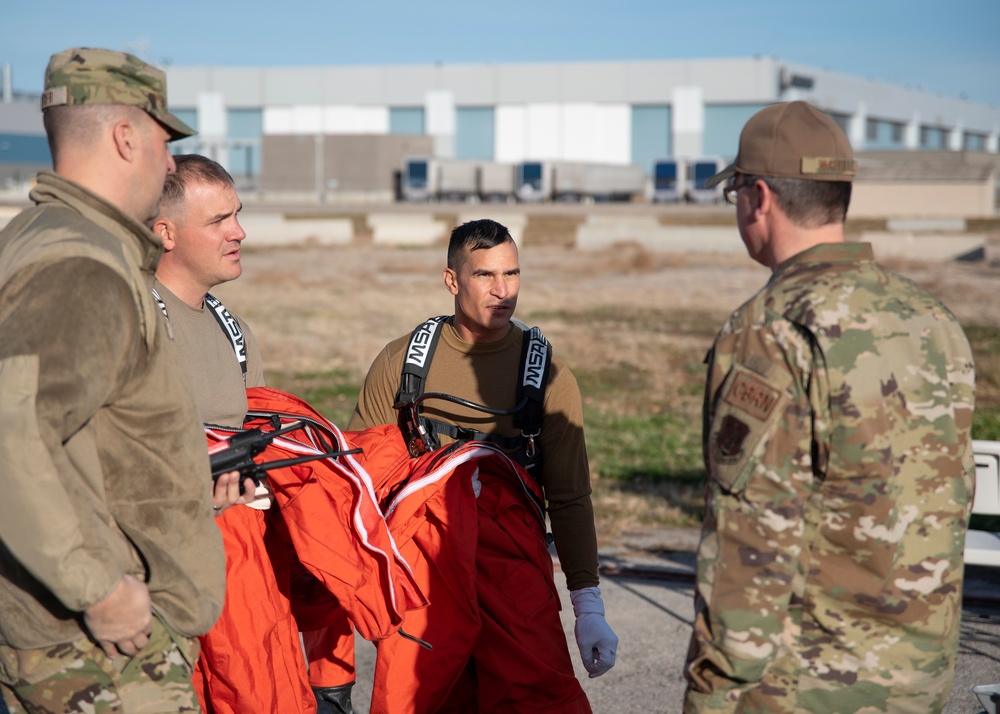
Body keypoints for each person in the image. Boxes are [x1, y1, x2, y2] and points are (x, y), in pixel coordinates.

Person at [683, 101, 977, 713]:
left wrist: (711, 698)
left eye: (736, 190)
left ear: (758, 197)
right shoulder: (931, 320)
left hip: (806, 689)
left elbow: (748, 547)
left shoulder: (771, 331)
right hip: (919, 682)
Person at [0, 48, 227, 712]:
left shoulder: (41, 238)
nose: (170, 164)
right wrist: (97, 588)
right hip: (97, 647)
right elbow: (12, 431)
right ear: (126, 137)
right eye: (164, 143)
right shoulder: (84, 264)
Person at [349, 218, 618, 711]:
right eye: (485, 276)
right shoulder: (401, 363)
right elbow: (360, 479)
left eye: (512, 275)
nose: (503, 290)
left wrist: (587, 603)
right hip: (425, 577)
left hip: (517, 578)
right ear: (452, 280)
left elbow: (571, 495)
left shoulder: (549, 377)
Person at [151, 153, 358, 714]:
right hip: (165, 575)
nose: (239, 231)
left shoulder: (231, 329)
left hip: (244, 570)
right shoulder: (135, 325)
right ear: (165, 232)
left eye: (237, 214)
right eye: (219, 220)